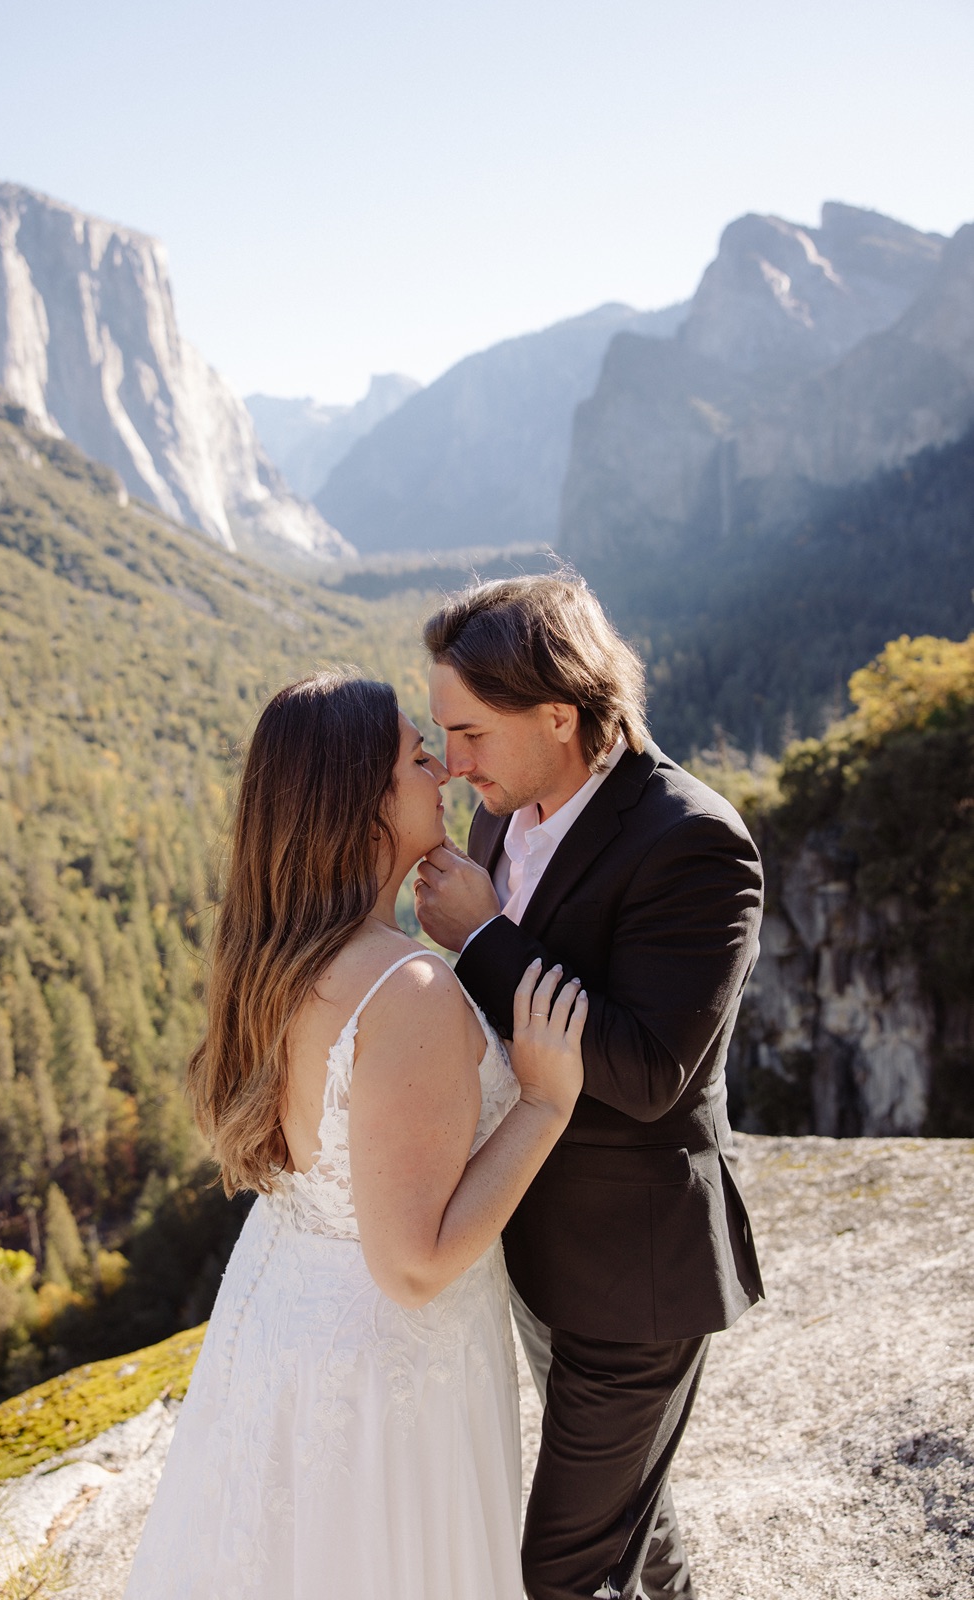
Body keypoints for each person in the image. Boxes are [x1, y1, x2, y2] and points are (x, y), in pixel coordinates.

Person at [122, 670, 587, 1600]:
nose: (445, 773)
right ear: (363, 806)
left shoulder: (276, 958)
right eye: (418, 758)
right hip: (389, 1366)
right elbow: (413, 1264)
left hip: (284, 1322)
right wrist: (543, 1103)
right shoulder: (403, 988)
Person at [414, 574, 765, 1600]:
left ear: (559, 715)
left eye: (471, 733)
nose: (453, 763)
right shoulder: (500, 817)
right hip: (529, 1249)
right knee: (630, 1526)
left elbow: (652, 1071)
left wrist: (482, 937)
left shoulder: (694, 842)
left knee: (558, 1570)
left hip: (635, 1277)